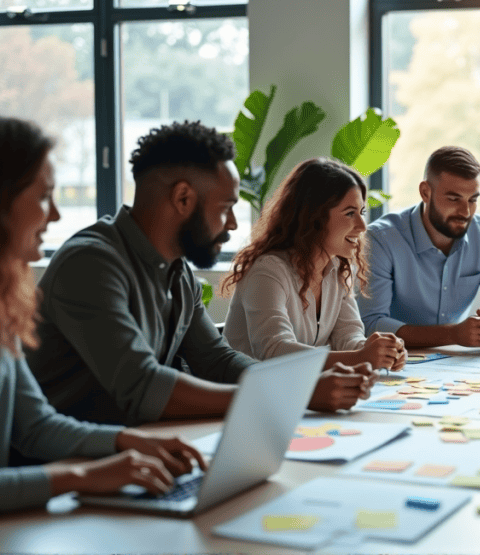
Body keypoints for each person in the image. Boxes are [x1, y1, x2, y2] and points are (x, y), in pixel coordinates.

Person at [26, 121, 368, 426]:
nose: (233, 224)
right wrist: (293, 394)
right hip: (73, 464)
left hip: (143, 446)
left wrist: (296, 384)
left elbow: (216, 361)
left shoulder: (178, 272)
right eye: (226, 208)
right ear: (183, 198)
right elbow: (143, 386)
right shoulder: (91, 264)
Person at [0, 110, 207, 518]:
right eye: (42, 196)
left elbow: (36, 426)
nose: (54, 214)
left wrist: (128, 442)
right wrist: (79, 477)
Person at [222, 158, 404, 384]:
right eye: (349, 213)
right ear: (314, 217)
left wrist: (379, 351)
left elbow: (348, 337)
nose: (362, 226)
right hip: (247, 396)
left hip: (295, 389)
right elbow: (273, 349)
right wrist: (358, 357)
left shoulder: (337, 269)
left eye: (362, 212)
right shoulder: (267, 271)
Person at [358, 146, 480, 348]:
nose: (465, 212)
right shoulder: (380, 239)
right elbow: (371, 323)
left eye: (472, 200)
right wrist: (453, 335)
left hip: (457, 363)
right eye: (454, 199)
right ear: (425, 192)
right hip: (397, 360)